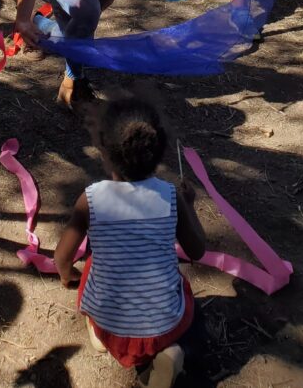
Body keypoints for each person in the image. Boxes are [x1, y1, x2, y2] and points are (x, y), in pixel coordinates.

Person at [54, 97, 206, 388]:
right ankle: (167, 354)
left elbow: (62, 257)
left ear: (105, 155)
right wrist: (189, 205)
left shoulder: (91, 199)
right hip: (165, 328)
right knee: (178, 286)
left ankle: (101, 336)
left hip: (111, 324)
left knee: (92, 267)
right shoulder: (171, 196)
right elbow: (197, 250)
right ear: (157, 152)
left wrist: (67, 276)